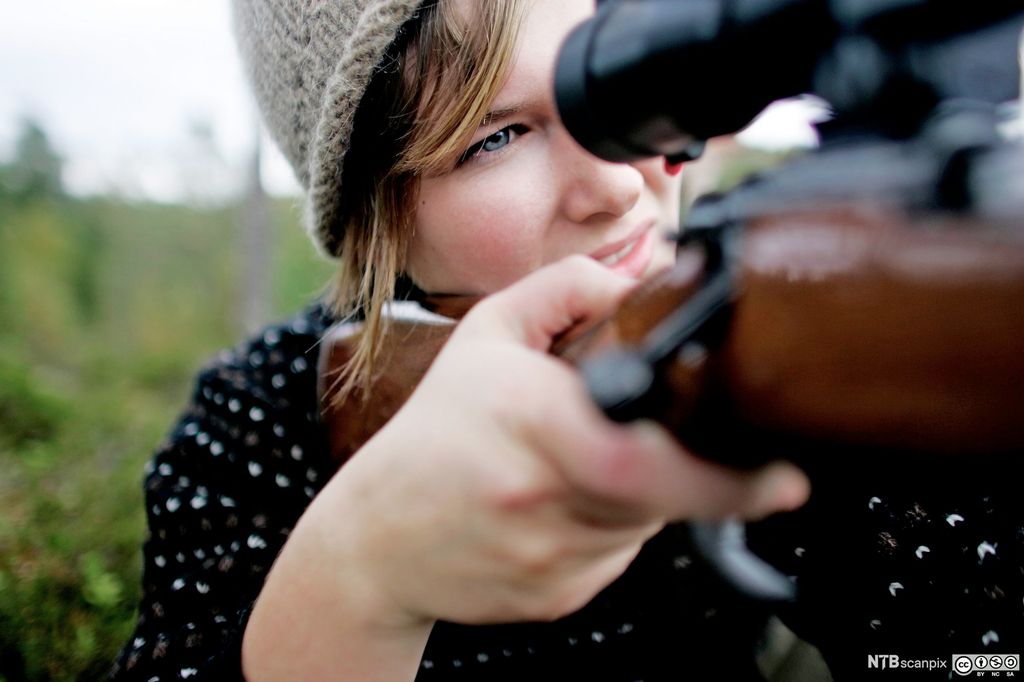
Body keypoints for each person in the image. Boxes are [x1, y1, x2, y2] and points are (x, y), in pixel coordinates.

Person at [111, 0, 1020, 680]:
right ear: (372, 220)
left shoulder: (796, 329)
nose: (617, 187)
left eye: (631, 105)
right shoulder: (261, 419)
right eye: (497, 137)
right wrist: (358, 576)